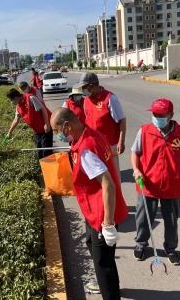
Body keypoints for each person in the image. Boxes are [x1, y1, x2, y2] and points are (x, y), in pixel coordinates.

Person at [50, 108, 128, 300]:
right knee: (91, 243)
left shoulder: (86, 150)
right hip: (92, 209)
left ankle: (110, 293)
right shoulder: (89, 135)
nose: (57, 135)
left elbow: (107, 183)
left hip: (102, 212)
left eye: (57, 130)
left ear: (67, 126)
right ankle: (109, 286)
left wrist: (108, 223)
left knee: (103, 262)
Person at [131, 98, 180, 265]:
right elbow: (135, 152)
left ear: (171, 115)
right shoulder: (145, 131)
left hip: (172, 184)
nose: (157, 117)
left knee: (171, 220)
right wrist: (136, 169)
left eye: (161, 114)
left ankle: (171, 248)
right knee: (144, 217)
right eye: (154, 114)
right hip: (148, 183)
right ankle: (141, 244)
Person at [76, 72, 126, 180]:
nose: (83, 91)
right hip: (93, 146)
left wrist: (121, 142)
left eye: (84, 88)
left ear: (92, 86)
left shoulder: (110, 98)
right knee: (99, 181)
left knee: (113, 179)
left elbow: (122, 120)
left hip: (109, 146)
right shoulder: (86, 100)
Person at [6, 88, 52, 159]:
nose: (11, 102)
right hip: (36, 130)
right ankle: (43, 168)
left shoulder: (30, 98)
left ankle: (50, 168)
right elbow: (16, 119)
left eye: (11, 100)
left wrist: (47, 124)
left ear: (15, 97)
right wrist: (10, 132)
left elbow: (43, 109)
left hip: (45, 128)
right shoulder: (18, 106)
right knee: (39, 152)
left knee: (46, 152)